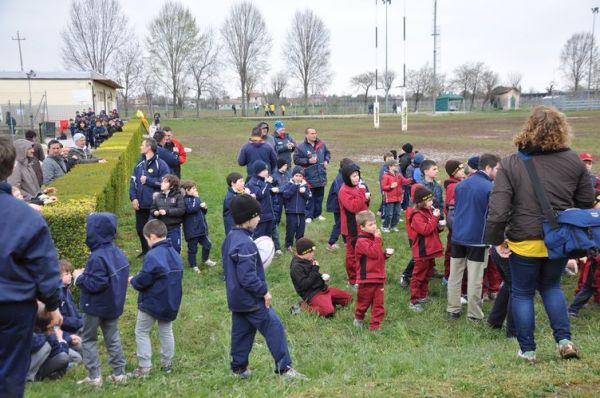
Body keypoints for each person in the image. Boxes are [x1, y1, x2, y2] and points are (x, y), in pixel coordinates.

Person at [486, 106, 594, 364]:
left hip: (524, 238)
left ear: (529, 128)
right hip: (558, 238)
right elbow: (586, 202)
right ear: (562, 130)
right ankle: (564, 340)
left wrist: (496, 239)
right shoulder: (573, 161)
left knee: (523, 293)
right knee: (551, 287)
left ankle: (528, 350)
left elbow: (498, 208)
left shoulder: (512, 163)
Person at [0, 135, 63, 397]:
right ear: (12, 167)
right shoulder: (25, 215)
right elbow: (45, 267)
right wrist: (51, 304)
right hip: (12, 309)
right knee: (10, 376)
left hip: (13, 307)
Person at [222, 194, 307, 380]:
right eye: (257, 215)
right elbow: (247, 277)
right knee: (274, 327)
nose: (260, 218)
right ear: (248, 218)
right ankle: (284, 370)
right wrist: (264, 292)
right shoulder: (245, 244)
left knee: (242, 333)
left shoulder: (231, 237)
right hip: (251, 299)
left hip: (236, 298)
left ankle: (239, 369)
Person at [73, 212, 129, 385]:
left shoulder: (97, 256)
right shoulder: (117, 252)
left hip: (95, 306)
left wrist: (79, 277)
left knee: (88, 338)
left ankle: (94, 377)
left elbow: (96, 283)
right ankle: (119, 373)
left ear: (95, 231)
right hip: (112, 304)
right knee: (112, 338)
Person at [447, 154, 499, 322]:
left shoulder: (461, 185)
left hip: (458, 235)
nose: (498, 172)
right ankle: (474, 314)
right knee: (475, 278)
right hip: (477, 237)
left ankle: (453, 309)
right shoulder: (489, 187)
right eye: (497, 169)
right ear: (489, 168)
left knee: (455, 275)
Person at [129, 219, 184, 377]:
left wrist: (133, 280)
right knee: (166, 330)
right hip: (171, 301)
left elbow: (144, 280)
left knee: (142, 331)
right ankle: (167, 364)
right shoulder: (175, 253)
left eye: (146, 239)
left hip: (153, 302)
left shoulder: (152, 255)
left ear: (151, 236)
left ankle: (144, 367)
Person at [289, 237, 352, 317]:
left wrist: (322, 276)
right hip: (313, 294)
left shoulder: (309, 259)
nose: (313, 254)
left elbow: (314, 275)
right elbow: (304, 285)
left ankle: (327, 302)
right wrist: (315, 270)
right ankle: (303, 307)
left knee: (348, 299)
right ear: (303, 253)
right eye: (311, 252)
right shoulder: (296, 267)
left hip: (323, 289)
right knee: (329, 312)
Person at [130, 137, 170, 256]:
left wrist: (149, 181)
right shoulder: (139, 164)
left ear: (149, 148)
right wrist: (134, 198)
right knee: (140, 229)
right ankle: (146, 251)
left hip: (155, 204)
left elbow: (166, 183)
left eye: (142, 145)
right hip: (140, 204)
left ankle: (156, 252)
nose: (140, 147)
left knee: (153, 230)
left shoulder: (161, 164)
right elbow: (133, 182)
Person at [408, 186, 444, 313]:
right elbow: (425, 230)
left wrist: (439, 226)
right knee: (418, 276)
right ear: (421, 202)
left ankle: (423, 295)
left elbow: (432, 229)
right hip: (422, 251)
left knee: (427, 274)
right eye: (429, 201)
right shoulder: (416, 215)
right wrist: (434, 219)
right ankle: (414, 301)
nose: (432, 203)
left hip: (431, 250)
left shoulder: (428, 211)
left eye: (431, 200)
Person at [353, 210, 388, 331]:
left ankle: (375, 326)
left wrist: (384, 256)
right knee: (364, 301)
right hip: (367, 278)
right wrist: (378, 240)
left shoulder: (373, 238)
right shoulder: (361, 241)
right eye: (370, 225)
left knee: (378, 303)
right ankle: (359, 317)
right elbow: (372, 253)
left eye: (374, 223)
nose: (374, 226)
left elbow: (377, 255)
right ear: (362, 227)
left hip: (378, 276)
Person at [338, 162, 370, 287]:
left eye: (357, 175)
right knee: (352, 254)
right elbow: (353, 207)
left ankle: (361, 275)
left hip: (361, 224)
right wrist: (362, 193)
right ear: (347, 177)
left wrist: (366, 199)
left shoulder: (357, 187)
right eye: (354, 176)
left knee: (362, 252)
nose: (357, 178)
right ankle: (352, 280)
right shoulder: (344, 190)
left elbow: (362, 206)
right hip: (351, 227)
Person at [294, 127, 331, 223]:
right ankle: (308, 216)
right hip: (309, 176)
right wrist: (308, 161)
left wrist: (326, 160)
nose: (314, 135)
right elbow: (296, 160)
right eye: (312, 133)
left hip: (321, 175)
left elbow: (327, 153)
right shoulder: (300, 147)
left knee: (320, 196)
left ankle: (317, 214)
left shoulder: (321, 144)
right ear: (306, 135)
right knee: (310, 197)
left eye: (315, 133)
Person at [181, 179, 216, 272]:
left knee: (207, 244)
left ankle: (205, 259)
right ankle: (193, 265)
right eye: (193, 189)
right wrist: (197, 199)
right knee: (192, 248)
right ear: (187, 190)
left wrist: (205, 208)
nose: (195, 190)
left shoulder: (196, 198)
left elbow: (202, 211)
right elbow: (191, 209)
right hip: (191, 230)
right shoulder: (185, 200)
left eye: (195, 188)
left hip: (201, 229)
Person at [442, 160, 466, 282]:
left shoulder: (459, 183)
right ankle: (448, 275)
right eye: (460, 169)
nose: (463, 171)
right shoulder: (453, 186)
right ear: (453, 172)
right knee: (451, 250)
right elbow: (450, 208)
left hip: (459, 223)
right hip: (455, 224)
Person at [150, 174, 185, 254]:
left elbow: (181, 210)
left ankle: (175, 265)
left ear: (172, 186)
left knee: (175, 248)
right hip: (161, 228)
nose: (162, 183)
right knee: (161, 249)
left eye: (165, 182)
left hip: (174, 227)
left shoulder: (178, 196)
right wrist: (155, 212)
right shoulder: (158, 196)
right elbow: (152, 208)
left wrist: (167, 212)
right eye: (162, 181)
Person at [325, 158, 354, 251]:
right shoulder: (340, 178)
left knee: (344, 223)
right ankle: (330, 243)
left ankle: (346, 241)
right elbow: (341, 192)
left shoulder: (344, 175)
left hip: (342, 205)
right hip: (337, 206)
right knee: (340, 224)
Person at [282, 166, 311, 252]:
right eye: (296, 175)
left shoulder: (305, 186)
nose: (298, 178)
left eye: (300, 176)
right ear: (293, 176)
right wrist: (294, 187)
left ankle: (300, 244)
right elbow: (286, 195)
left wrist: (304, 193)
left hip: (302, 212)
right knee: (290, 229)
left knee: (301, 230)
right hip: (291, 211)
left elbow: (309, 197)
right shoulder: (289, 184)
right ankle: (288, 245)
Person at [246, 160, 276, 238]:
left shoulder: (264, 182)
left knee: (267, 238)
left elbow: (268, 194)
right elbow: (260, 194)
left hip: (269, 215)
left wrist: (273, 190)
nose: (267, 172)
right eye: (264, 170)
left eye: (267, 169)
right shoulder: (252, 183)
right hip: (260, 217)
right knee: (259, 239)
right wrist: (268, 184)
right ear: (258, 171)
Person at [380, 159, 412, 232]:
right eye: (395, 165)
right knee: (389, 214)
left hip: (398, 197)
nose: (397, 167)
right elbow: (383, 187)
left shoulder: (398, 175)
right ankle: (385, 226)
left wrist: (411, 179)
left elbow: (405, 181)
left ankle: (393, 226)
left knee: (397, 213)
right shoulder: (386, 176)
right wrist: (390, 186)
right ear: (390, 167)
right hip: (390, 198)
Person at [272, 159, 290, 256]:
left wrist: (281, 189)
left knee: (288, 210)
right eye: (284, 165)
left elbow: (289, 184)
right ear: (280, 166)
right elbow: (273, 187)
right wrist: (278, 190)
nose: (286, 167)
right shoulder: (274, 175)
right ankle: (276, 225)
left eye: (286, 165)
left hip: (287, 196)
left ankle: (289, 223)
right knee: (277, 212)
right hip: (278, 197)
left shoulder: (288, 174)